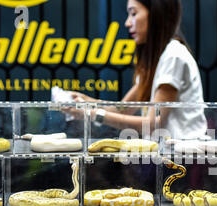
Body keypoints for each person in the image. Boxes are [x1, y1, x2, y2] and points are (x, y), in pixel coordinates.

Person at [67, 0, 207, 140]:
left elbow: (153, 124)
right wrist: (86, 102)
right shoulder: (157, 60)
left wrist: (91, 114)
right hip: (166, 154)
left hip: (185, 157)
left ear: (155, 15)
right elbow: (123, 109)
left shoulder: (174, 56)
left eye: (133, 13)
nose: (127, 23)